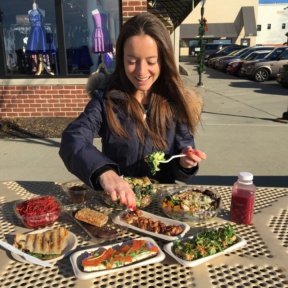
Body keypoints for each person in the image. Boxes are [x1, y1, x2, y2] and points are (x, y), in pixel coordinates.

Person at [59, 12, 207, 210]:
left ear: (163, 61)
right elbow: (73, 140)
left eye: (151, 61)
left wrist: (185, 163)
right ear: (122, 59)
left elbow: (181, 162)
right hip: (117, 203)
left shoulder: (175, 103)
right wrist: (105, 173)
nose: (141, 71)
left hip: (160, 208)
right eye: (132, 61)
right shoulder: (106, 100)